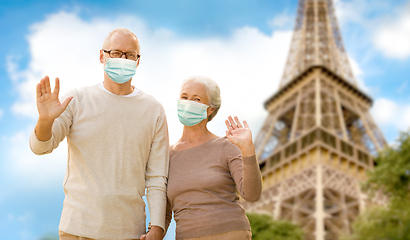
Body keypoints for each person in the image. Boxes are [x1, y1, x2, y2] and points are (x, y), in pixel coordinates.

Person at [29, 28, 169, 240]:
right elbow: (40, 147)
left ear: (138, 61)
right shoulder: (76, 100)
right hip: (77, 228)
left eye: (130, 55)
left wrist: (157, 228)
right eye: (116, 53)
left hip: (129, 231)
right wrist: (45, 120)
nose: (124, 59)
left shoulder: (153, 110)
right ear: (102, 56)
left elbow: (157, 177)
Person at [143, 76, 262, 240]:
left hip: (230, 234)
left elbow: (251, 194)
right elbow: (164, 210)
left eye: (196, 99)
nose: (188, 102)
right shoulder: (166, 156)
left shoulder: (227, 146)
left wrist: (248, 150)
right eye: (184, 97)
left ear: (210, 109)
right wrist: (154, 232)